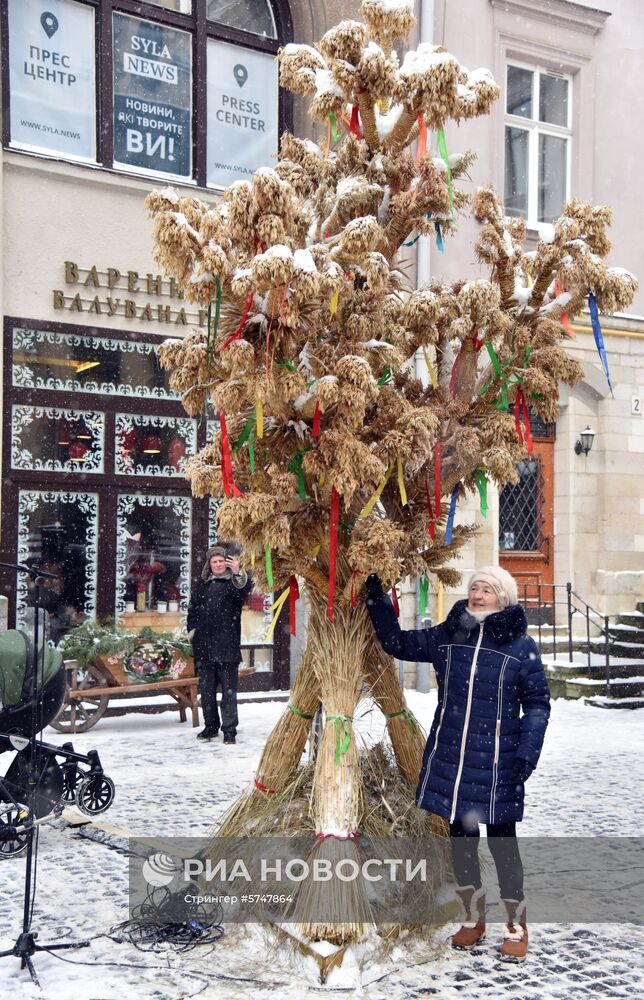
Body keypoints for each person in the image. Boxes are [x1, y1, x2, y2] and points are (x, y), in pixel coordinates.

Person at [365, 566, 550, 963]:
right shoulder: (450, 635)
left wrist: (526, 755)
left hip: (499, 763)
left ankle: (516, 926)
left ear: (504, 599)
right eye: (474, 588)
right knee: (462, 846)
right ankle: (472, 920)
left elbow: (537, 705)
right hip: (454, 760)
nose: (478, 595)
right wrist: (378, 598)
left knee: (504, 847)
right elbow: (396, 641)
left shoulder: (521, 647)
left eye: (487, 590)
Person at [187, 544, 253, 744]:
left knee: (228, 694)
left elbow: (243, 592)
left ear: (226, 563)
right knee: (206, 693)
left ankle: (230, 730)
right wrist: (193, 634)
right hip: (205, 649)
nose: (217, 564)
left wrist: (238, 573)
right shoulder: (202, 588)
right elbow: (192, 613)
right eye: (214, 561)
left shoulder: (233, 585)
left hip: (227, 649)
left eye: (221, 561)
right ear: (209, 564)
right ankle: (210, 727)